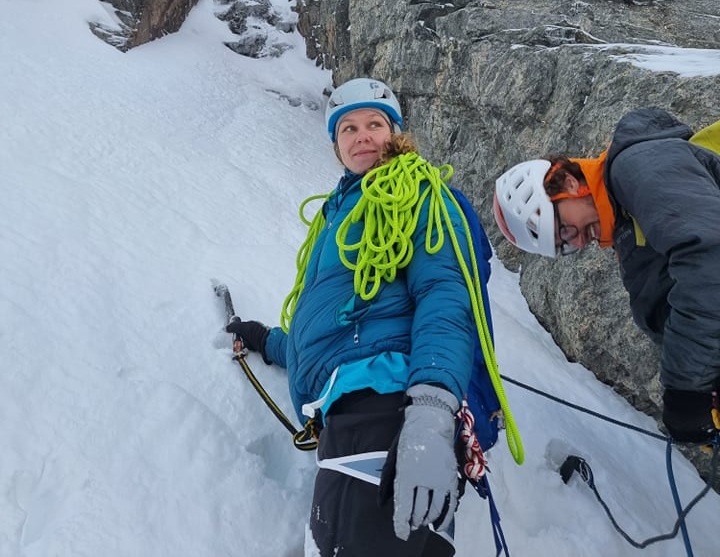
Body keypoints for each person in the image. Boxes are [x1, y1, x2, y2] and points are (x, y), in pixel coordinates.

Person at [231, 77, 483, 556]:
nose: (361, 135)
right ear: (336, 145)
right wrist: (267, 339)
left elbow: (445, 295)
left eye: (374, 123)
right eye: (347, 128)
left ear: (395, 134)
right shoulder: (339, 214)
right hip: (352, 412)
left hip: (386, 407)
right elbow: (332, 333)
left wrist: (431, 414)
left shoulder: (417, 194)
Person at [493, 106, 720, 446]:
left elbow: (709, 258)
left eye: (565, 230)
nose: (579, 241)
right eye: (565, 246)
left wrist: (686, 390)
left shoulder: (639, 166)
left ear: (568, 182)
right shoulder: (630, 234)